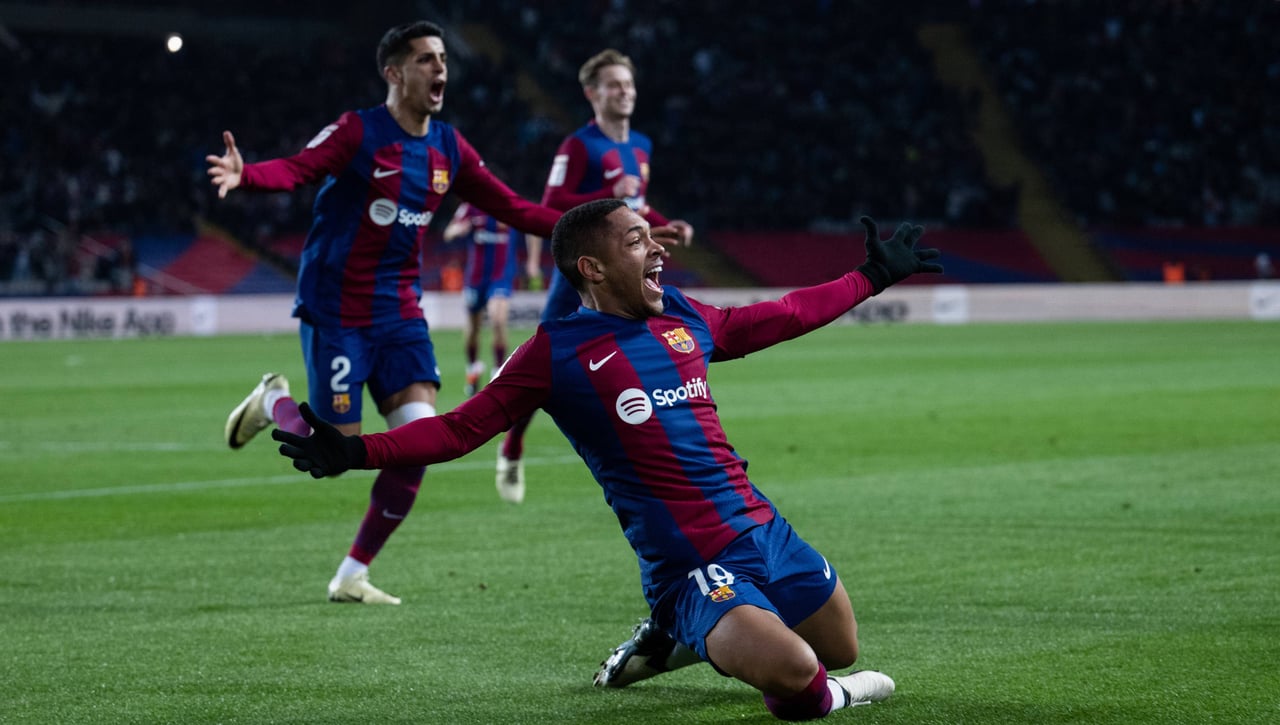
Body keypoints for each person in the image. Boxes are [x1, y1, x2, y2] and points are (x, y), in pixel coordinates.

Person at [272, 199, 943, 719]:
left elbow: (782, 313)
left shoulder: (679, 313)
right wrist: (355, 450)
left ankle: (677, 641)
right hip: (691, 565)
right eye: (636, 241)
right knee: (801, 673)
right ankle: (825, 689)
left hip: (766, 529)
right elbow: (458, 429)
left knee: (840, 644)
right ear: (591, 267)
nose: (657, 249)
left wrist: (871, 275)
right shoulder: (555, 352)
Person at [210, 20, 560, 605]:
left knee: (419, 443)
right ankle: (273, 400)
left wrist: (602, 222)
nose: (440, 68)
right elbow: (299, 167)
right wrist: (247, 175)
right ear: (394, 73)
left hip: (399, 313)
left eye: (443, 58)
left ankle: (351, 573)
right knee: (334, 455)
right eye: (425, 59)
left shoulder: (450, 147)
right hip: (336, 310)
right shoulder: (358, 131)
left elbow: (516, 208)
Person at [495, 48, 694, 504]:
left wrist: (667, 219)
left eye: (628, 83)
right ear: (592, 93)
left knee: (647, 350)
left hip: (627, 271)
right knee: (540, 361)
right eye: (613, 84)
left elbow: (634, 205)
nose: (624, 91)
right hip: (582, 276)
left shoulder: (640, 144)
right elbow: (552, 204)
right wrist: (608, 191)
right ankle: (512, 445)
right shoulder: (579, 145)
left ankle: (651, 448)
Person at [442, 202, 539, 396]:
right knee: (473, 327)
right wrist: (458, 229)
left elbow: (533, 227)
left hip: (501, 276)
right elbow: (448, 232)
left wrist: (532, 261)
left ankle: (497, 371)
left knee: (498, 318)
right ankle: (473, 367)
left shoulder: (507, 204)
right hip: (476, 277)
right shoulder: (469, 208)